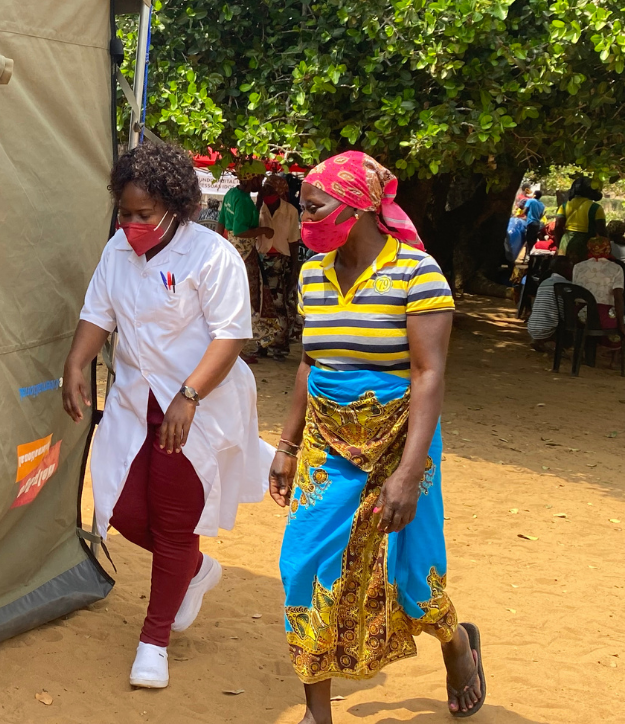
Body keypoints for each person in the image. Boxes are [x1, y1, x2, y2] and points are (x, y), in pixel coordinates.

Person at [268, 151, 485, 722]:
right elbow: (310, 363)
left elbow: (429, 374)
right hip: (328, 443)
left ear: (359, 205)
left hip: (402, 440)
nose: (305, 215)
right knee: (304, 564)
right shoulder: (313, 273)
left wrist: (408, 474)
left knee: (413, 573)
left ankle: (457, 643)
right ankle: (319, 710)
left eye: (314, 205)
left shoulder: (417, 272)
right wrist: (287, 447)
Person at [63, 141, 269, 689]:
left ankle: (154, 641)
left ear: (176, 207)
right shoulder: (116, 253)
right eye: (124, 213)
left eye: (143, 215)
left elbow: (231, 337)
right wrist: (76, 362)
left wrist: (189, 396)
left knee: (175, 525)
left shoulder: (211, 257)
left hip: (194, 411)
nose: (131, 224)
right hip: (136, 405)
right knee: (123, 513)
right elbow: (96, 313)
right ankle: (195, 571)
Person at [216, 160, 273, 361]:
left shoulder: (232, 195)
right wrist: (264, 230)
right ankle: (237, 351)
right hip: (244, 253)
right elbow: (241, 230)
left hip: (231, 250)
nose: (262, 182)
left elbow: (221, 222)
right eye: (260, 178)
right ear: (252, 179)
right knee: (247, 299)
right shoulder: (243, 201)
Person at [254, 174, 302, 360]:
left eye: (270, 190)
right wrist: (258, 204)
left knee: (279, 306)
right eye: (265, 190)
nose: (267, 193)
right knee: (261, 305)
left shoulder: (290, 211)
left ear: (280, 192)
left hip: (281, 261)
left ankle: (280, 347)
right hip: (261, 258)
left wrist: (294, 269)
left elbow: (293, 242)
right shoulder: (259, 208)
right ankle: (262, 344)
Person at [571, 236, 625, 352]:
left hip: (580, 316)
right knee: (616, 319)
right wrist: (621, 323)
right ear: (608, 249)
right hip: (604, 317)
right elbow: (618, 298)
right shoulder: (616, 269)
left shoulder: (578, 267)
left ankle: (584, 350)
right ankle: (614, 358)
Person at [554, 177, 607, 262]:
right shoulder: (596, 208)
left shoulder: (564, 206)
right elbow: (601, 231)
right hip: (586, 244)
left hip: (565, 242)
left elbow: (557, 227)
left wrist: (559, 245)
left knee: (565, 269)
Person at [526, 256, 573, 350]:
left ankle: (539, 340)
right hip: (549, 327)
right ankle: (555, 343)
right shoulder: (566, 285)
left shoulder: (544, 283)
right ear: (567, 270)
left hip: (532, 326)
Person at [522, 189, 546, 255]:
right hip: (537, 224)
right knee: (533, 240)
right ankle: (530, 256)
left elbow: (524, 211)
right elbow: (540, 216)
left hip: (530, 223)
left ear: (534, 195)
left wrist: (526, 216)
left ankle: (527, 255)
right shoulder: (542, 205)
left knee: (528, 240)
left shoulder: (530, 201)